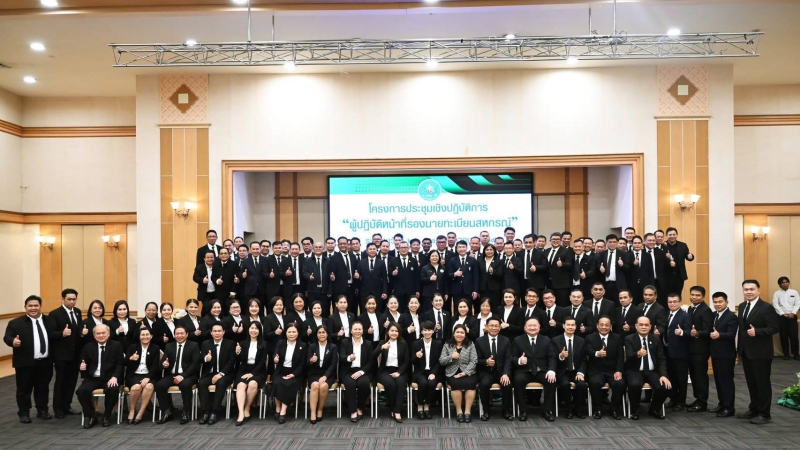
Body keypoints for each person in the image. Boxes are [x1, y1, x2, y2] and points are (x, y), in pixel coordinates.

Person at [3, 295, 53, 423]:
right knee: (24, 389)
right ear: (25, 307)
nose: (33, 308)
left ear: (40, 307)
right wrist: (12, 341)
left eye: (36, 305)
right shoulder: (15, 323)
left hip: (45, 362)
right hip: (25, 362)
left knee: (43, 388)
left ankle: (42, 410)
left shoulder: (49, 321)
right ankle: (24, 413)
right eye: (30, 306)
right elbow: (7, 337)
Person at [737, 279, 780, 425]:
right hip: (746, 352)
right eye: (746, 289)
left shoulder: (766, 307)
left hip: (761, 353)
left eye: (751, 289)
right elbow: (742, 330)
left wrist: (758, 332)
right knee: (752, 383)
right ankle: (754, 409)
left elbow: (774, 328)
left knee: (762, 384)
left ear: (758, 290)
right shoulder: (742, 306)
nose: (748, 292)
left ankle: (764, 413)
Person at [624, 316, 671, 420]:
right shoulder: (629, 339)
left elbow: (661, 359)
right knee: (634, 385)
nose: (643, 327)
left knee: (664, 386)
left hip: (652, 371)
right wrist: (638, 354)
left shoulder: (655, 339)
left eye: (646, 325)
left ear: (650, 327)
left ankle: (654, 409)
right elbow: (629, 356)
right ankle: (634, 410)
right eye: (641, 325)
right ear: (636, 326)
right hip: (635, 370)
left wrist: (663, 375)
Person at [76, 324, 124, 428]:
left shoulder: (116, 345)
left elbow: (120, 364)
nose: (101, 335)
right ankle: (92, 416)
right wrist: (82, 367)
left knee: (112, 389)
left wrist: (115, 377)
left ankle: (106, 416)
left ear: (108, 334)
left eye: (103, 333)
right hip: (93, 378)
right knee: (81, 391)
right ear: (94, 335)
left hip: (110, 378)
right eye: (98, 333)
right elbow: (82, 362)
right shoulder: (88, 347)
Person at [512, 317, 557, 422]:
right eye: (530, 325)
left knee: (551, 380)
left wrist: (551, 370)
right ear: (525, 327)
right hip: (524, 370)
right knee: (518, 380)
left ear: (539, 327)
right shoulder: (517, 340)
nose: (532, 328)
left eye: (534, 325)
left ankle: (547, 411)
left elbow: (552, 357)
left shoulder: (546, 340)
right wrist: (519, 360)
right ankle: (523, 411)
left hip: (541, 370)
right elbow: (512, 358)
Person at [47, 288, 82, 419]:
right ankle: (58, 408)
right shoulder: (55, 314)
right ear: (63, 299)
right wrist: (62, 333)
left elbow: (78, 331)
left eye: (74, 299)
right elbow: (50, 334)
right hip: (61, 355)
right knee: (60, 382)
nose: (72, 302)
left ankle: (67, 406)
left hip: (75, 355)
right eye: (69, 299)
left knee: (72, 382)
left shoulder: (77, 312)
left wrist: (82, 333)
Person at [155, 326, 201, 425]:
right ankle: (167, 412)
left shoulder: (194, 345)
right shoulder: (169, 346)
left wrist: (182, 376)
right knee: (159, 385)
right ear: (174, 335)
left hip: (188, 375)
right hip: (171, 374)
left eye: (182, 333)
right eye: (177, 334)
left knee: (185, 385)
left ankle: (186, 412)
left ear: (187, 334)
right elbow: (163, 361)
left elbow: (195, 364)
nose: (179, 336)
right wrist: (164, 364)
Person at [585, 316, 625, 420]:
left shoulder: (617, 338)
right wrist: (597, 353)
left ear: (611, 326)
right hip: (596, 370)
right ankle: (598, 408)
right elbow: (587, 350)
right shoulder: (590, 337)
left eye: (607, 325)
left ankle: (614, 409)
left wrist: (619, 371)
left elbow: (620, 356)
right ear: (597, 326)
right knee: (594, 383)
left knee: (620, 383)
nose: (604, 327)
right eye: (601, 325)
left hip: (612, 370)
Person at [474, 317, 513, 421]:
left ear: (500, 328)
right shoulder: (479, 341)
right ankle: (486, 411)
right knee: (484, 384)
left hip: (501, 372)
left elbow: (508, 359)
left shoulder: (506, 340)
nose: (494, 328)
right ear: (486, 327)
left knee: (507, 384)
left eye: (496, 326)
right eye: (491, 325)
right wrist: (486, 362)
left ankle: (506, 411)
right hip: (486, 372)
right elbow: (476, 359)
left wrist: (506, 373)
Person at [198, 323, 237, 425]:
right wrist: (206, 358)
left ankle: (214, 412)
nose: (217, 333)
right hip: (210, 373)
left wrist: (221, 374)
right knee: (202, 383)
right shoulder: (205, 343)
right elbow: (201, 358)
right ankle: (205, 411)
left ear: (223, 332)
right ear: (211, 333)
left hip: (226, 373)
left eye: (219, 331)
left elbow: (232, 361)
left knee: (221, 383)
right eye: (215, 331)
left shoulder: (230, 343)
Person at [440, 324, 478, 422]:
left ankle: (467, 412)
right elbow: (442, 361)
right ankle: (459, 411)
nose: (459, 334)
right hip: (452, 372)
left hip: (468, 372)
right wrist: (451, 357)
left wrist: (465, 372)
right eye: (457, 332)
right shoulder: (447, 345)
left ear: (465, 334)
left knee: (471, 384)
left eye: (462, 332)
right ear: (453, 333)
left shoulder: (470, 344)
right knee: (455, 384)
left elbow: (474, 361)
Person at [552, 317, 588, 419]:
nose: (570, 327)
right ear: (563, 326)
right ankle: (569, 409)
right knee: (565, 384)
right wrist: (561, 356)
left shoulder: (581, 341)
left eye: (572, 325)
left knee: (582, 385)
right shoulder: (555, 340)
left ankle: (578, 409)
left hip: (576, 371)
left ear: (576, 327)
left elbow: (584, 359)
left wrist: (581, 372)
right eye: (568, 325)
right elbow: (553, 358)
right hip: (563, 371)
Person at [709, 292, 738, 417]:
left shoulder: (731, 316)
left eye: (720, 302)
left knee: (726, 381)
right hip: (716, 353)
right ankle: (722, 404)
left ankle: (729, 408)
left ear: (727, 302)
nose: (717, 304)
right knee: (719, 380)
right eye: (715, 302)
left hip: (726, 354)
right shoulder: (714, 315)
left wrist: (719, 335)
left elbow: (731, 334)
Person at [373, 323, 409, 422]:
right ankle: (393, 407)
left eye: (396, 331)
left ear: (399, 333)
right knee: (390, 383)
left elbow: (406, 361)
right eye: (392, 330)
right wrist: (381, 348)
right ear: (388, 332)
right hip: (385, 370)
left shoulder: (403, 343)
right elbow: (373, 356)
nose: (394, 333)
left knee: (401, 383)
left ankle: (397, 411)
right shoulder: (382, 342)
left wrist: (399, 372)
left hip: (399, 370)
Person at [340, 321, 374, 422]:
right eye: (355, 329)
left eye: (359, 329)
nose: (357, 331)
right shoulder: (345, 342)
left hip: (363, 371)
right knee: (350, 384)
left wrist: (361, 372)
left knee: (363, 383)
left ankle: (360, 407)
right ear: (351, 331)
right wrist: (349, 358)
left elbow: (371, 361)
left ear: (363, 331)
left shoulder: (368, 344)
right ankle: (353, 411)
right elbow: (341, 357)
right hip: (348, 371)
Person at [124, 327, 159, 425]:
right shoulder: (132, 347)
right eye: (142, 335)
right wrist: (130, 358)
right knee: (136, 387)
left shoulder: (155, 348)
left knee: (149, 386)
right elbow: (123, 362)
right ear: (139, 336)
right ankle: (132, 410)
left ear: (151, 336)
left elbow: (155, 366)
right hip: (134, 375)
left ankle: (141, 412)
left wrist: (148, 377)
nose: (145, 337)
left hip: (150, 375)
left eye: (147, 335)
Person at [686, 286, 714, 412]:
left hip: (701, 350)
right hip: (691, 349)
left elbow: (708, 330)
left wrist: (697, 333)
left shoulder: (706, 310)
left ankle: (702, 402)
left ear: (703, 296)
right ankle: (697, 399)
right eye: (692, 294)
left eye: (697, 295)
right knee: (694, 375)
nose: (694, 297)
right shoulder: (691, 308)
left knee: (700, 376)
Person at [234, 322, 267, 425]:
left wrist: (252, 374)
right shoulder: (242, 343)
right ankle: (240, 413)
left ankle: (247, 408)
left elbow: (262, 362)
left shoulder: (264, 344)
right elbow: (241, 360)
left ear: (259, 331)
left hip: (258, 371)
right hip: (244, 370)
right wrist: (238, 353)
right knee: (241, 385)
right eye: (252, 328)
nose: (254, 330)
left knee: (252, 384)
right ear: (248, 330)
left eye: (256, 328)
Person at [663, 293, 691, 412]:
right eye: (670, 302)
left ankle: (681, 402)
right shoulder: (666, 314)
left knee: (681, 379)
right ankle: (673, 399)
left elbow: (689, 332)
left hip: (680, 353)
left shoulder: (685, 316)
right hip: (668, 352)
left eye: (675, 301)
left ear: (680, 302)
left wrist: (682, 332)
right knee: (671, 377)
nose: (672, 304)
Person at [411, 320, 442, 419]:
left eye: (429, 330)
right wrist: (416, 357)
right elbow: (412, 361)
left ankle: (427, 406)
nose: (427, 332)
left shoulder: (438, 344)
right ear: (421, 332)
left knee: (432, 383)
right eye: (425, 330)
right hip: (420, 372)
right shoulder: (416, 344)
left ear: (433, 331)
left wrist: (434, 373)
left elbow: (439, 361)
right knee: (423, 383)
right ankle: (420, 406)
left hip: (433, 372)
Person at [307, 326, 338, 424]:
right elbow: (306, 362)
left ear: (327, 334)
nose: (321, 334)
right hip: (314, 373)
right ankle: (313, 412)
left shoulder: (333, 347)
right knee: (315, 385)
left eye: (323, 332)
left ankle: (320, 409)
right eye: (319, 332)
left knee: (323, 386)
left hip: (328, 374)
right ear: (316, 335)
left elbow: (333, 364)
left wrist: (325, 376)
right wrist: (311, 360)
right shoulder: (312, 346)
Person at [772, 276, 800, 360]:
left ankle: (796, 354)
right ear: (779, 284)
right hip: (781, 317)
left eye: (786, 282)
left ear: (789, 283)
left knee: (794, 336)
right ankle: (786, 354)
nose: (785, 284)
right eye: (783, 283)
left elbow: (798, 303)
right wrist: (782, 314)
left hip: (792, 317)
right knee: (783, 336)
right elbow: (775, 304)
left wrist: (793, 313)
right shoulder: (777, 293)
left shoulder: (794, 292)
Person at [663, 227, 695, 299]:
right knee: (666, 296)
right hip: (666, 276)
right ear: (667, 236)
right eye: (670, 235)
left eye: (674, 234)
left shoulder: (683, 245)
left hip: (679, 276)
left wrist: (691, 257)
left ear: (677, 235)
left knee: (678, 295)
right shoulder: (663, 246)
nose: (672, 236)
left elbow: (688, 255)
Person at [447, 240, 479, 311]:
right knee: (457, 309)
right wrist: (454, 274)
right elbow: (448, 274)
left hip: (469, 290)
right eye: (459, 247)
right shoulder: (452, 260)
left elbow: (475, 276)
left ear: (467, 248)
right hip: (456, 291)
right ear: (456, 249)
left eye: (463, 247)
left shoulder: (472, 260)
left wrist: (475, 290)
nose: (461, 249)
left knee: (468, 309)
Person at [544, 232, 574, 306]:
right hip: (549, 284)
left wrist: (562, 264)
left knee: (562, 305)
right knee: (550, 305)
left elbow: (570, 264)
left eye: (558, 239)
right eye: (553, 239)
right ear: (550, 240)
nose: (555, 241)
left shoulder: (566, 251)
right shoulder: (546, 251)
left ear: (561, 241)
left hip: (562, 285)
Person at [193, 250, 220, 315]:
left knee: (216, 307)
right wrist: (202, 280)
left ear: (214, 258)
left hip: (216, 292)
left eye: (211, 257)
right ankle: (204, 319)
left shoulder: (218, 267)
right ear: (204, 258)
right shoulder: (199, 267)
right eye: (208, 257)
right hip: (205, 293)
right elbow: (195, 278)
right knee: (207, 307)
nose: (210, 259)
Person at [478, 244, 504, 309]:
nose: (489, 251)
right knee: (484, 306)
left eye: (491, 250)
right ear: (484, 251)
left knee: (494, 306)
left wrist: (492, 272)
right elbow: (477, 275)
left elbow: (500, 274)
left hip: (494, 289)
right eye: (487, 250)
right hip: (483, 289)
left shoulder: (499, 261)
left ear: (494, 251)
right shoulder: (480, 261)